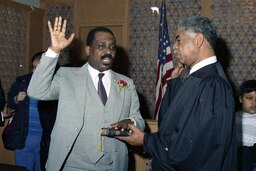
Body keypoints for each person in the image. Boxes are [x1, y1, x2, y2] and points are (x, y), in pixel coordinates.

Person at [118, 15, 237, 171]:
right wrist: (174, 82)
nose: (174, 47)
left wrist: (145, 140)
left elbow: (189, 151)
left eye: (179, 40)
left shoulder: (211, 84)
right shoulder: (197, 78)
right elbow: (169, 124)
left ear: (198, 40)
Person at [27, 16, 145, 171]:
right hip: (71, 164)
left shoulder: (126, 84)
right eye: (101, 46)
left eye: (112, 47)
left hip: (114, 164)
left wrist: (131, 121)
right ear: (88, 50)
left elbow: (138, 119)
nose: (107, 51)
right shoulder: (66, 76)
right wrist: (54, 51)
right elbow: (36, 91)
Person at [7, 52, 44, 171]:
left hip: (45, 139)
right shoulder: (22, 81)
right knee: (23, 169)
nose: (34, 71)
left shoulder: (55, 84)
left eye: (38, 68)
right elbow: (10, 104)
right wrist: (16, 99)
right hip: (23, 137)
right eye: (33, 67)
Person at [235, 79, 256, 171]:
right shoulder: (234, 117)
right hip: (239, 156)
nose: (254, 103)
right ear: (240, 99)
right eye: (249, 98)